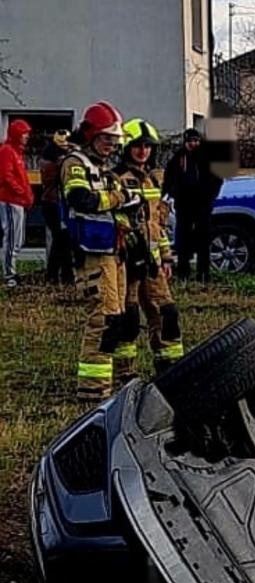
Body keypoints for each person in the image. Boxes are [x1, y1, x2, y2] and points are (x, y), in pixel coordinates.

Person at [61, 101, 142, 401]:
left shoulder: (103, 169)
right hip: (92, 253)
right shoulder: (75, 164)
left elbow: (121, 204)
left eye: (115, 140)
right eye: (107, 138)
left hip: (113, 251)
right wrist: (118, 198)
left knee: (119, 318)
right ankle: (93, 390)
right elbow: (81, 199)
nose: (112, 145)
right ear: (92, 135)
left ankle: (121, 378)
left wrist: (127, 212)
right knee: (103, 319)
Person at [114, 118, 184, 380]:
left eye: (147, 146)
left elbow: (156, 224)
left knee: (166, 312)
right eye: (137, 146)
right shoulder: (117, 179)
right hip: (127, 261)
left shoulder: (154, 180)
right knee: (128, 317)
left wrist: (165, 257)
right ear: (126, 147)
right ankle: (125, 372)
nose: (143, 151)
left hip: (153, 261)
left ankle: (170, 366)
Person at [162, 128, 223, 282]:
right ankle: (183, 273)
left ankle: (204, 274)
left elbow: (217, 178)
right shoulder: (178, 158)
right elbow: (169, 179)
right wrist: (171, 193)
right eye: (190, 141)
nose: (194, 144)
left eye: (196, 141)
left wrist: (210, 196)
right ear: (185, 142)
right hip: (184, 205)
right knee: (183, 239)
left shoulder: (207, 158)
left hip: (203, 204)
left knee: (203, 239)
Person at [0, 118, 34, 288]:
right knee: (12, 237)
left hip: (18, 201)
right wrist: (21, 192)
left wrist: (27, 195)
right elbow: (7, 177)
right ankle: (9, 275)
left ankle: (11, 272)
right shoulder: (7, 151)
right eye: (24, 134)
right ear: (16, 134)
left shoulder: (16, 153)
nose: (26, 137)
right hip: (10, 201)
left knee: (17, 239)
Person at [40, 130, 75, 286]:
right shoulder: (55, 161)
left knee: (60, 240)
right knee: (62, 240)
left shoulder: (50, 158)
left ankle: (56, 275)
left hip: (54, 203)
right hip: (55, 204)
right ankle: (61, 276)